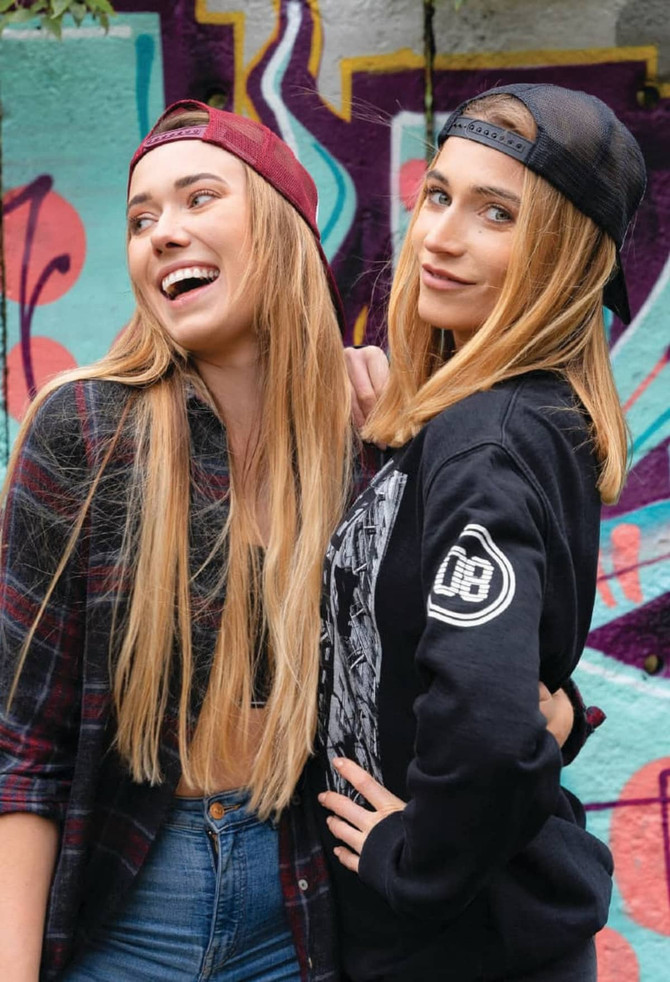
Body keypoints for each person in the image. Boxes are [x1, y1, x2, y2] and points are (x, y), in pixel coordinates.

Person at [0, 100, 353, 982]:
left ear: (281, 229)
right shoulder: (84, 430)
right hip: (128, 907)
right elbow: (23, 750)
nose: (162, 233)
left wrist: (559, 709)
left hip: (302, 906)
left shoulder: (364, 446)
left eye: (199, 199)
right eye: (140, 218)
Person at [316, 82, 646, 981]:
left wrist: (409, 863)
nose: (440, 237)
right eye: (437, 195)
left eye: (495, 213)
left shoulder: (489, 438)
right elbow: (499, 664)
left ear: (561, 258)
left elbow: (492, 721)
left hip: (458, 950)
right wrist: (408, 451)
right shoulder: (496, 428)